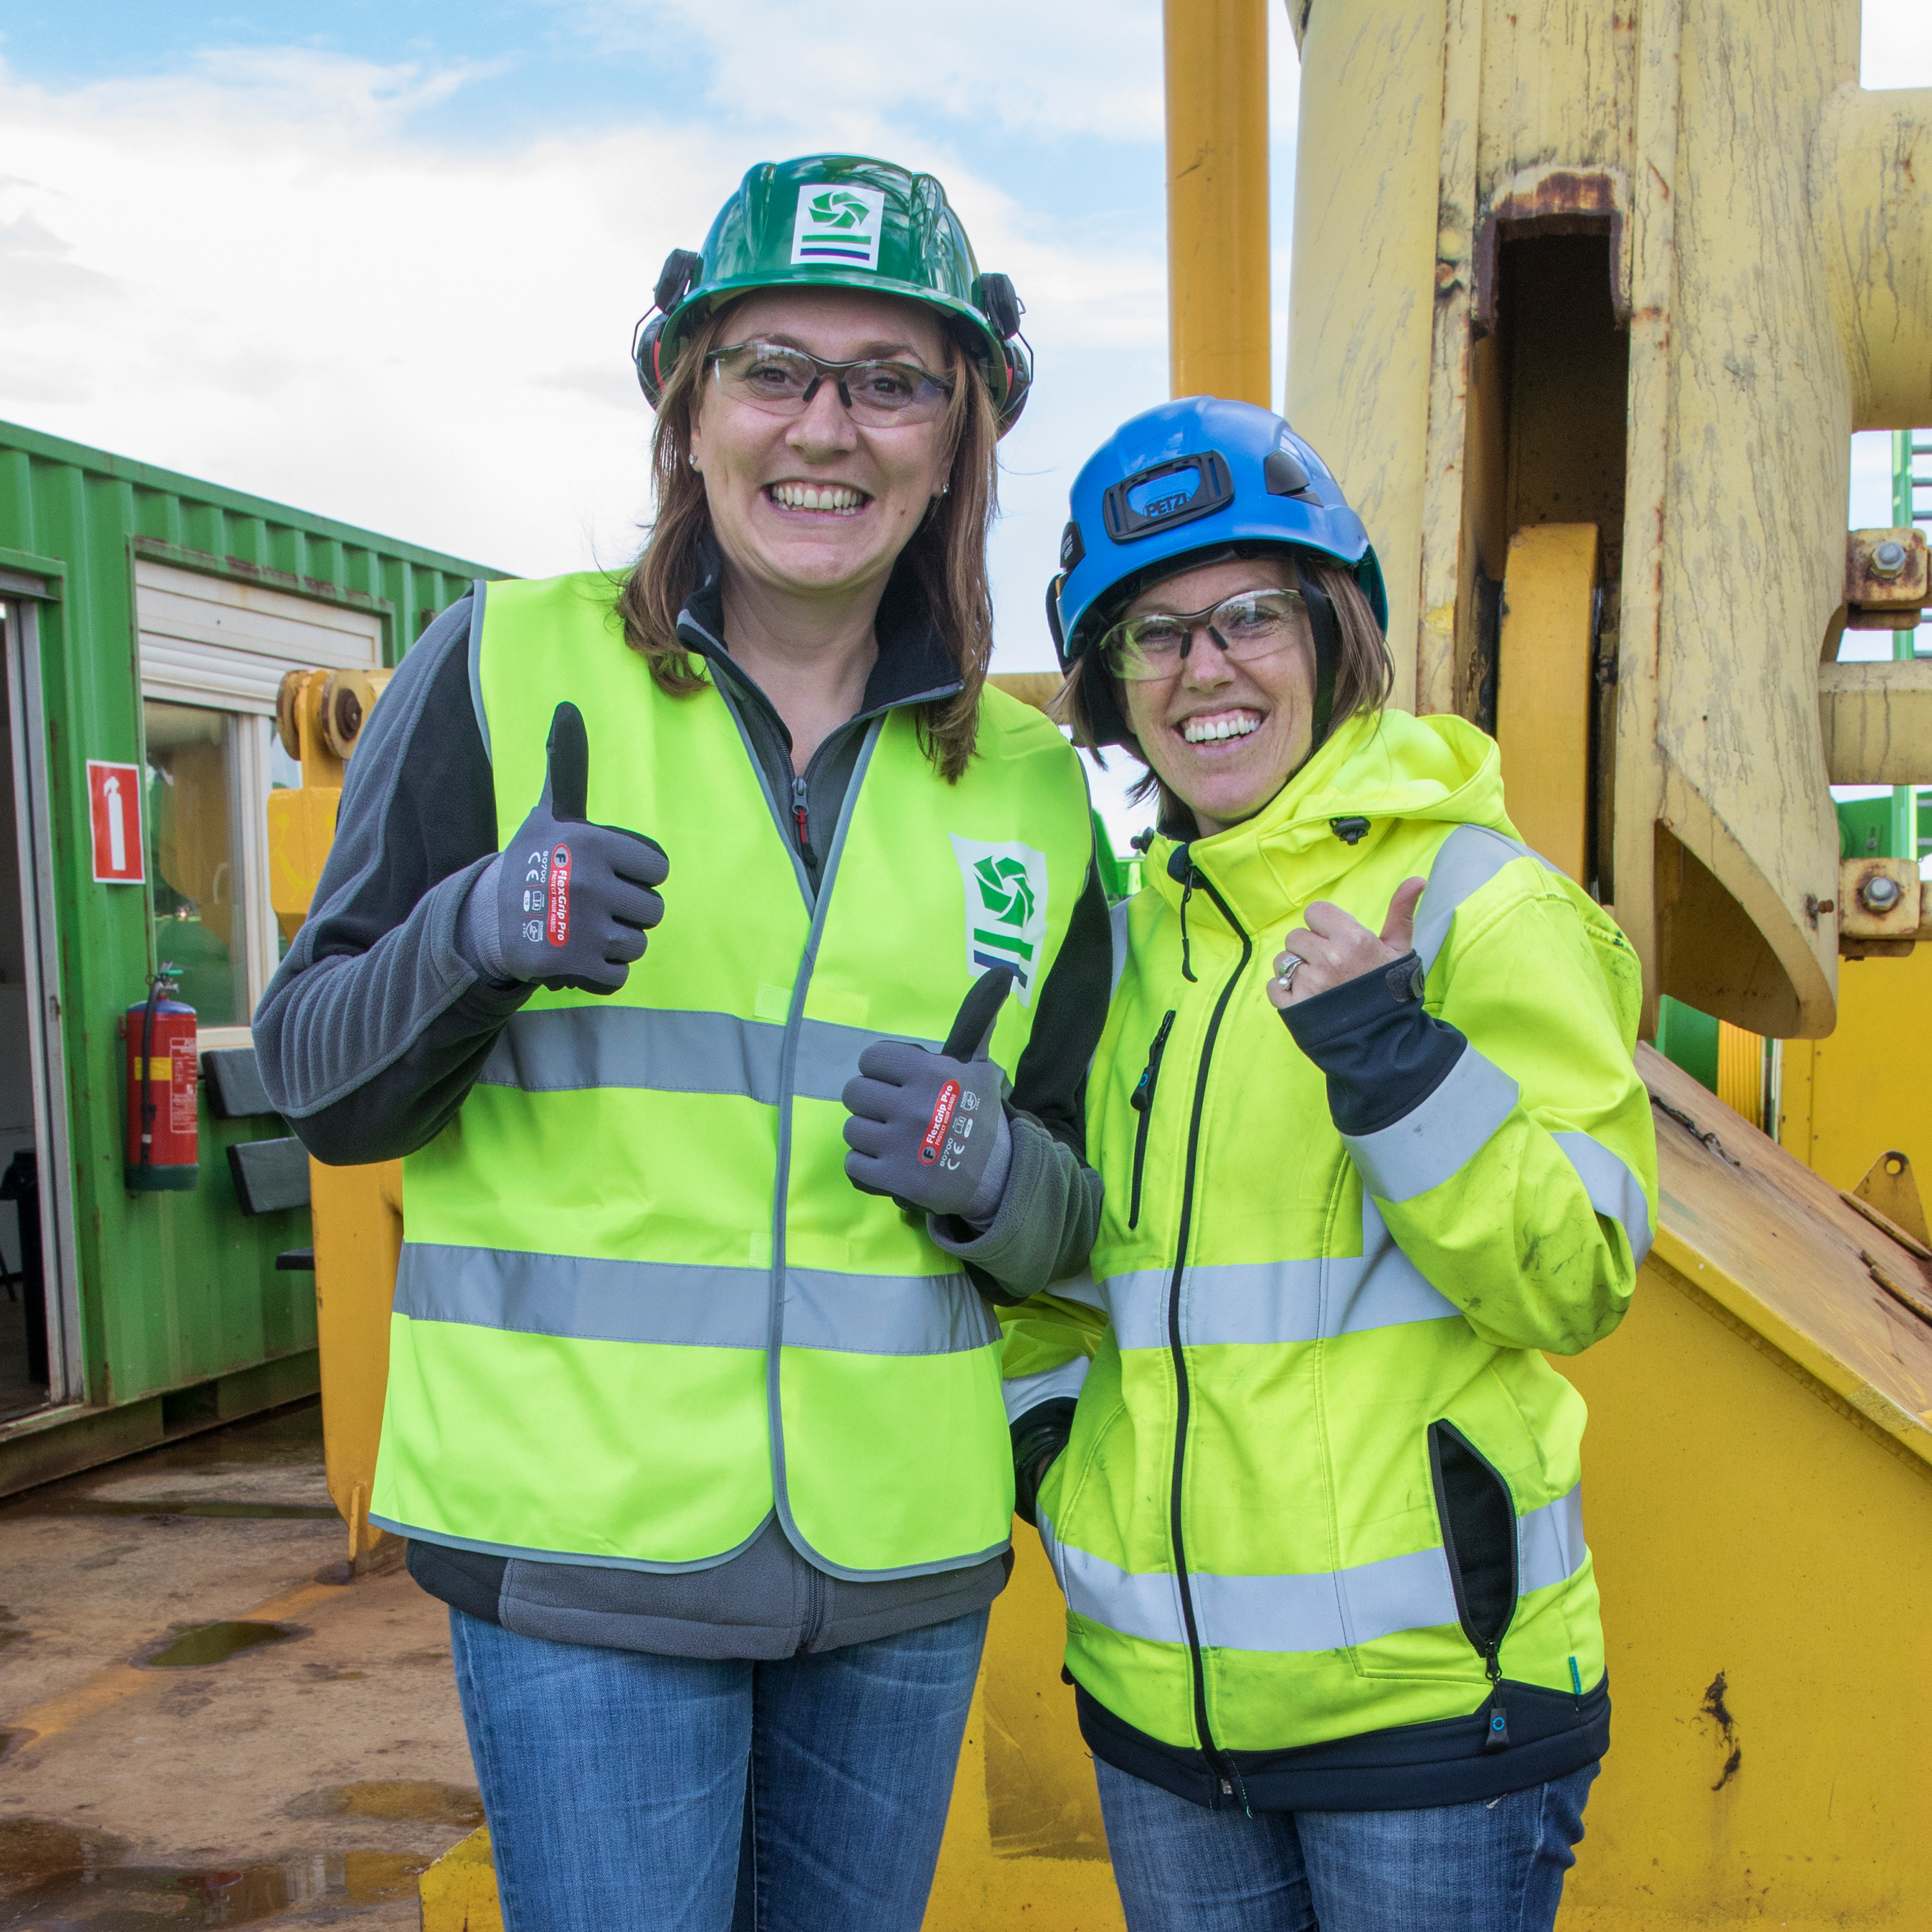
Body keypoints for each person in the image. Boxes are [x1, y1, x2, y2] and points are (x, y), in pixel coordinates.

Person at [254, 155, 1112, 1932]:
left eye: (893, 382)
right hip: (582, 1568)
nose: (828, 429)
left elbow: (1087, 1221)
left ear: (958, 439)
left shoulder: (1033, 790)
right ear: (688, 407)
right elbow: (323, 1082)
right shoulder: (498, 671)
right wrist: (474, 938)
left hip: (898, 1567)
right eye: (772, 368)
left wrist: (994, 1177)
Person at [1001, 395, 1657, 1932]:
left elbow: (1580, 1277)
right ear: (1108, 687)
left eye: (1248, 616)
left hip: (1435, 1716)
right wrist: (1055, 1457)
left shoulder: (1477, 908)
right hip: (1165, 1717)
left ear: (1337, 628)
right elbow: (1063, 1270)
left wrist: (1392, 1056)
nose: (1204, 669)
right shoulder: (1123, 939)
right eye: (1150, 637)